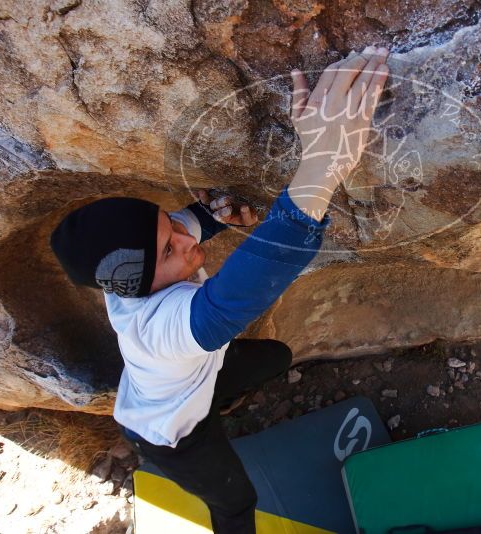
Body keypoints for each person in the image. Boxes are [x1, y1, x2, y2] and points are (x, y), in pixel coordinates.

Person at [49, 46, 390, 532]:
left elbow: (192, 224)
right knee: (235, 501)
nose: (186, 240)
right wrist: (323, 165)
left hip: (186, 378)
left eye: (170, 225)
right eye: (170, 250)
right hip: (171, 435)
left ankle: (215, 400)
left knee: (275, 356)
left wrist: (213, 214)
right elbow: (235, 296)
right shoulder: (158, 329)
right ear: (137, 284)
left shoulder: (130, 274)